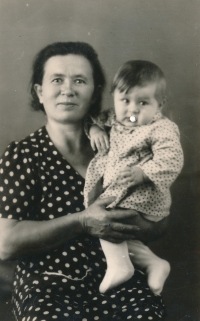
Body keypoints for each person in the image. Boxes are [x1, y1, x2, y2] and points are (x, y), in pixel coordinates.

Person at [0, 42, 168, 321]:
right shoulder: (23, 155)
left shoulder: (122, 144)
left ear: (94, 93)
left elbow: (160, 222)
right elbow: (5, 243)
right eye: (57, 80)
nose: (68, 89)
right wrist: (81, 221)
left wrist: (138, 222)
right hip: (48, 285)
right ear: (39, 92)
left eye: (80, 80)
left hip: (122, 282)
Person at [84, 60, 183, 294]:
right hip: (123, 191)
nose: (132, 110)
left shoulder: (160, 128)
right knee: (119, 232)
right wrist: (96, 130)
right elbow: (92, 120)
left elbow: (172, 159)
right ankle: (153, 263)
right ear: (114, 99)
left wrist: (142, 173)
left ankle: (119, 267)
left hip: (142, 195)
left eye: (143, 102)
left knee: (104, 217)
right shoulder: (113, 118)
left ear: (160, 104)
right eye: (125, 101)